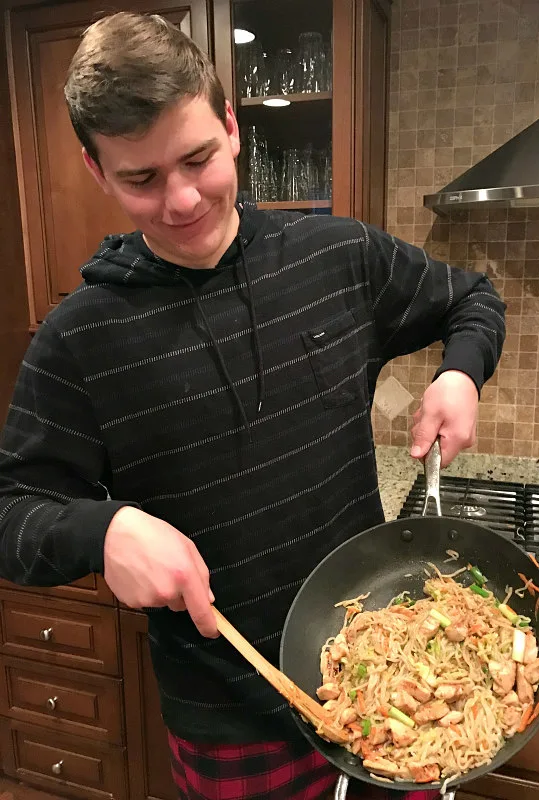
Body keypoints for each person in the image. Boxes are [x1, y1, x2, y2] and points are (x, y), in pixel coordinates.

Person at [0, 12, 506, 800]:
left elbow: (472, 300)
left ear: (232, 127)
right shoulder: (79, 338)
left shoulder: (337, 256)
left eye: (198, 157)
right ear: (97, 172)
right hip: (228, 720)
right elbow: (11, 514)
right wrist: (102, 530)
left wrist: (461, 375)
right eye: (140, 178)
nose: (181, 199)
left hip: (385, 673)